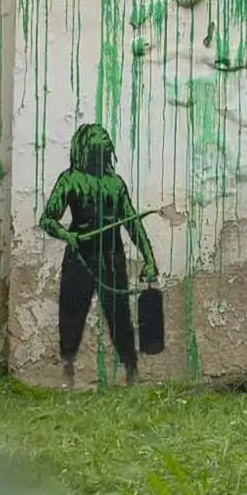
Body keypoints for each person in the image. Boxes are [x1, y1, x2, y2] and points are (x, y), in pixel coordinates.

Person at [39, 122, 158, 387]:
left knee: (120, 317)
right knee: (71, 316)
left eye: (104, 140)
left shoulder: (115, 184)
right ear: (84, 147)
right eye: (96, 140)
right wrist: (66, 235)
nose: (102, 142)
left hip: (111, 260)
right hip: (79, 259)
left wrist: (149, 258)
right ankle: (67, 371)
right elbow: (47, 219)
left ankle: (131, 371)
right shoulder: (69, 180)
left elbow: (132, 223)